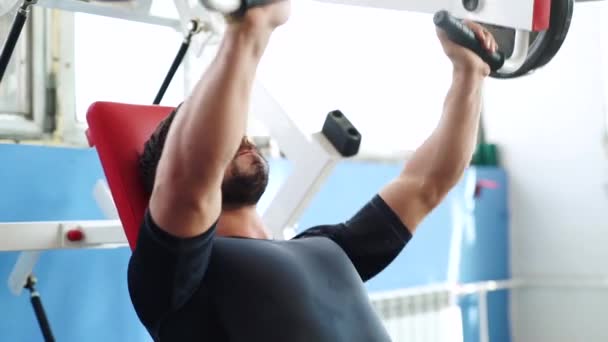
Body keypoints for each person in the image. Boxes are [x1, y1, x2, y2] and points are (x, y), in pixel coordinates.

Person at [128, 1, 497, 341]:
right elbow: (191, 176)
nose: (241, 137)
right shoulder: (176, 276)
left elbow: (426, 184)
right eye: (227, 137)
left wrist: (470, 73)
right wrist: (250, 30)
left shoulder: (327, 247)